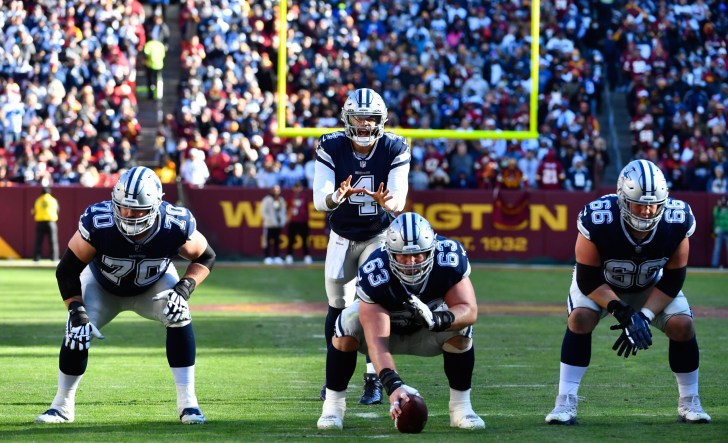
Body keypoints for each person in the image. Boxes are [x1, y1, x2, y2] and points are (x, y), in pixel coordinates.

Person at [35, 166, 216, 425]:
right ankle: (62, 406)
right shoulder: (99, 221)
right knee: (77, 330)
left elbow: (206, 257)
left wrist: (184, 288)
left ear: (155, 205)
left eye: (137, 209)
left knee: (179, 311)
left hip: (153, 288)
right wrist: (76, 309)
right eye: (123, 207)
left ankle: (189, 405)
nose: (129, 215)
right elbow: (67, 271)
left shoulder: (174, 223)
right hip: (101, 287)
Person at [545, 159, 711, 425]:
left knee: (683, 325)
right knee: (579, 319)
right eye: (639, 204)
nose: (647, 211)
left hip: (651, 286)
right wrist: (621, 311)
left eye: (653, 204)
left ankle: (690, 401)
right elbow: (587, 280)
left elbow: (672, 280)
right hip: (603, 285)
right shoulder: (598, 218)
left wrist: (643, 316)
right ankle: (565, 401)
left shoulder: (677, 219)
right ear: (623, 200)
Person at [317, 212, 485, 430]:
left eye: (418, 255)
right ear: (389, 251)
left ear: (431, 250)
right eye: (402, 256)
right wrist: (393, 385)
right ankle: (333, 407)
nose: (411, 263)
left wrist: (438, 319)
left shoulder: (448, 258)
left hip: (428, 332)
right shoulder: (376, 269)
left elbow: (469, 310)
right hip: (388, 334)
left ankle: (461, 408)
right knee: (347, 322)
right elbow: (377, 343)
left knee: (462, 331)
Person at [313, 88, 410, 404]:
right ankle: (332, 381)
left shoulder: (395, 145)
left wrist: (388, 201)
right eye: (359, 116)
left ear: (381, 120)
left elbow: (399, 195)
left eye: (371, 118)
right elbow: (320, 199)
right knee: (338, 305)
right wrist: (334, 197)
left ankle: (374, 379)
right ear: (347, 118)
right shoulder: (331, 145)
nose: (365, 124)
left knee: (373, 306)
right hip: (342, 236)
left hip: (377, 236)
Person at [285, 181, 312, 264]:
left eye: (299, 187)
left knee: (304, 239)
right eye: (296, 187)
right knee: (291, 240)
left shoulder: (304, 197)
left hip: (303, 221)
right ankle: (289, 256)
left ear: (301, 188)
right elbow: (288, 209)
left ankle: (306, 256)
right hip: (293, 221)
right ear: (293, 188)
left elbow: (307, 209)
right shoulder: (290, 197)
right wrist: (288, 219)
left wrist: (306, 219)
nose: (297, 189)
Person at [261, 184, 287, 265]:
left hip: (278, 224)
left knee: (277, 241)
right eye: (274, 190)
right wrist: (269, 220)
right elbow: (263, 211)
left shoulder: (281, 200)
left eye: (278, 190)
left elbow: (283, 211)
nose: (276, 192)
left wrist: (282, 220)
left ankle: (276, 257)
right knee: (267, 241)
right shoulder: (267, 199)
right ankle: (267, 257)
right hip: (269, 224)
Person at [32, 186, 60, 261]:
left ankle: (36, 257)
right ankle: (54, 257)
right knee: (53, 240)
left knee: (38, 241)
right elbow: (57, 211)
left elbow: (33, 212)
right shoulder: (53, 200)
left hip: (40, 222)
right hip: (51, 222)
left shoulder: (38, 200)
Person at [711, 195, 728, 268]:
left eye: (725, 201)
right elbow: (714, 219)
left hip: (727, 230)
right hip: (718, 230)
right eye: (722, 201)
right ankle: (714, 264)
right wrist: (719, 207)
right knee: (717, 248)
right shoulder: (717, 209)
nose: (723, 202)